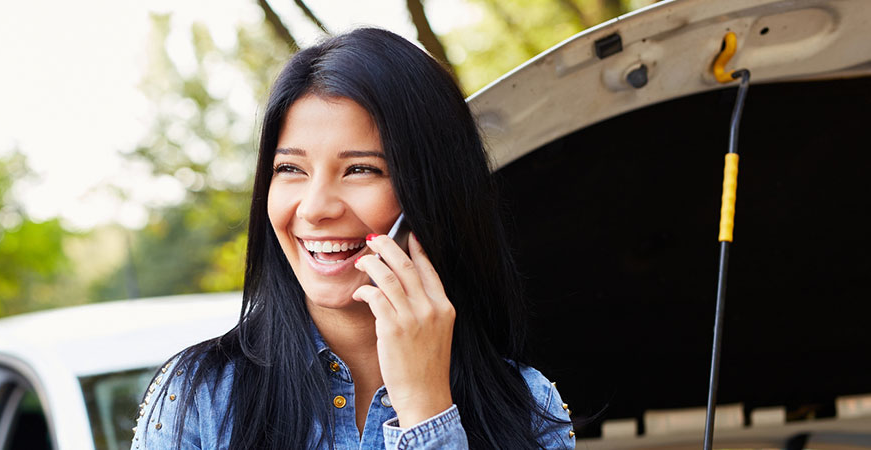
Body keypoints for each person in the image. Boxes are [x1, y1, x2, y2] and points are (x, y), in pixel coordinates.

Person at [130, 28, 575, 450]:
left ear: (434, 190)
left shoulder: (529, 408)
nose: (315, 207)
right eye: (290, 169)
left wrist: (426, 410)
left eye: (361, 169)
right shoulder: (199, 397)